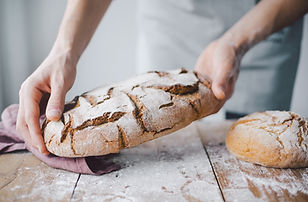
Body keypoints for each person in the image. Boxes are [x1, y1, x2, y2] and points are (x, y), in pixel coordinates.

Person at [17, 0, 308, 154]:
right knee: (154, 131)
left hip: (261, 33)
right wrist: (64, 52)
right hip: (169, 31)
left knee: (256, 152)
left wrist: (235, 43)